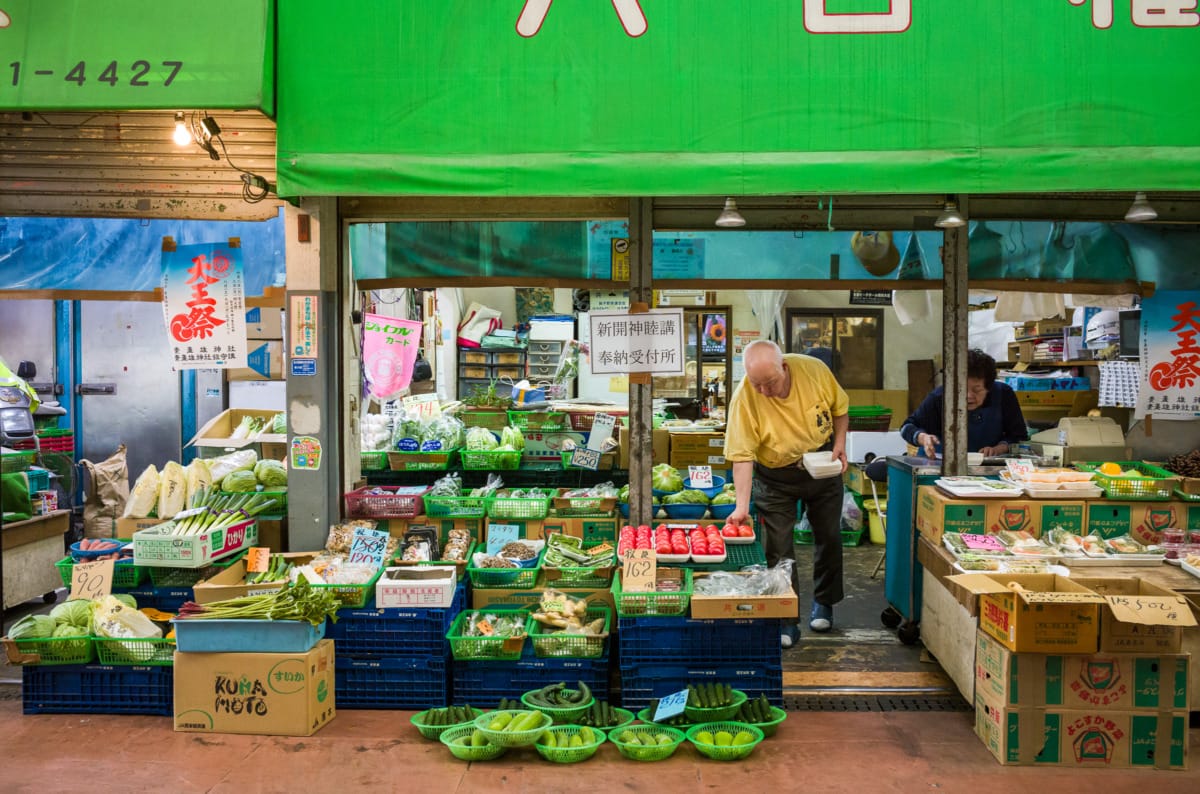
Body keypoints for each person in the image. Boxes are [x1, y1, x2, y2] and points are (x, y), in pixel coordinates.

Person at [723, 340, 849, 648]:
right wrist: (741, 506)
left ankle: (824, 602)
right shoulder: (744, 398)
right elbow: (742, 456)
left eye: (770, 383)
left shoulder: (814, 371)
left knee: (829, 535)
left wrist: (840, 444)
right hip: (774, 474)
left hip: (821, 464)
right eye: (757, 385)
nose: (764, 391)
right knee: (778, 547)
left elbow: (841, 409)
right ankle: (785, 616)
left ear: (784, 367)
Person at [900, 349, 1028, 458]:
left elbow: (1018, 436)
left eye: (977, 390)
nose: (968, 396)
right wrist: (923, 438)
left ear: (989, 387)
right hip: (937, 465)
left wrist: (998, 449)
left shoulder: (1003, 394)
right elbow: (906, 427)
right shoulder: (939, 397)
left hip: (986, 467)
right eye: (961, 389)